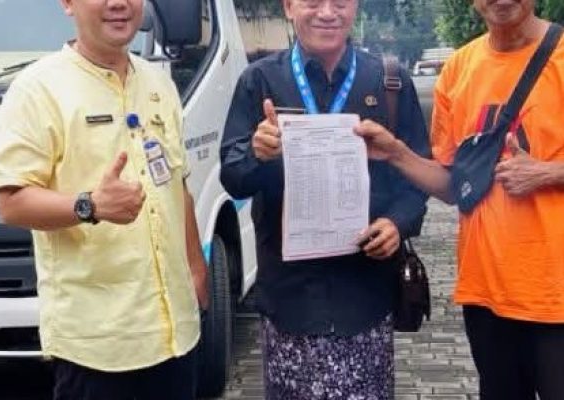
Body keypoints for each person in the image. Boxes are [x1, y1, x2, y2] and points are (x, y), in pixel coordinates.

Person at [0, 0, 208, 399]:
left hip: (175, 337)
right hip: (98, 345)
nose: (118, 4)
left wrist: (197, 274)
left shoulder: (158, 83)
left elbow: (177, 187)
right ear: (68, 4)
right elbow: (12, 202)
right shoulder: (38, 88)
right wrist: (90, 206)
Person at [219, 0, 429, 398]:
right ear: (289, 7)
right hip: (290, 302)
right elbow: (232, 178)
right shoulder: (259, 81)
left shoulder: (389, 82)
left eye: (340, 2)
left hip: (365, 298)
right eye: (313, 2)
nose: (327, 13)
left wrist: (396, 224)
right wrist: (255, 153)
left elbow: (416, 179)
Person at [354, 1, 564, 399]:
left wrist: (549, 173)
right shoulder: (459, 69)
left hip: (556, 293)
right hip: (486, 290)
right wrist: (396, 152)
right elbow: (453, 186)